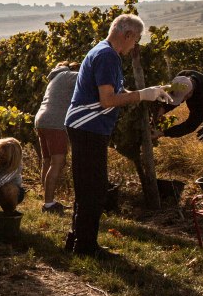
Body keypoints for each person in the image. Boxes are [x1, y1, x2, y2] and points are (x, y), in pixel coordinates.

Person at [64, 14, 173, 257]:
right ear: (127, 35)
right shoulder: (107, 56)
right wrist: (142, 95)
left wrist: (150, 93)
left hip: (86, 127)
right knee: (93, 188)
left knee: (87, 186)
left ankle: (76, 240)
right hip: (88, 127)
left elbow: (117, 91)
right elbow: (108, 100)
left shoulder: (104, 52)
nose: (136, 45)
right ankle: (86, 247)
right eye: (137, 40)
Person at [34, 63, 80, 215]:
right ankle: (48, 205)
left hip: (41, 120)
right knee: (58, 162)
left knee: (48, 161)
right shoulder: (69, 76)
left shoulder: (55, 77)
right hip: (55, 122)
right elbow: (87, 78)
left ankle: (47, 200)